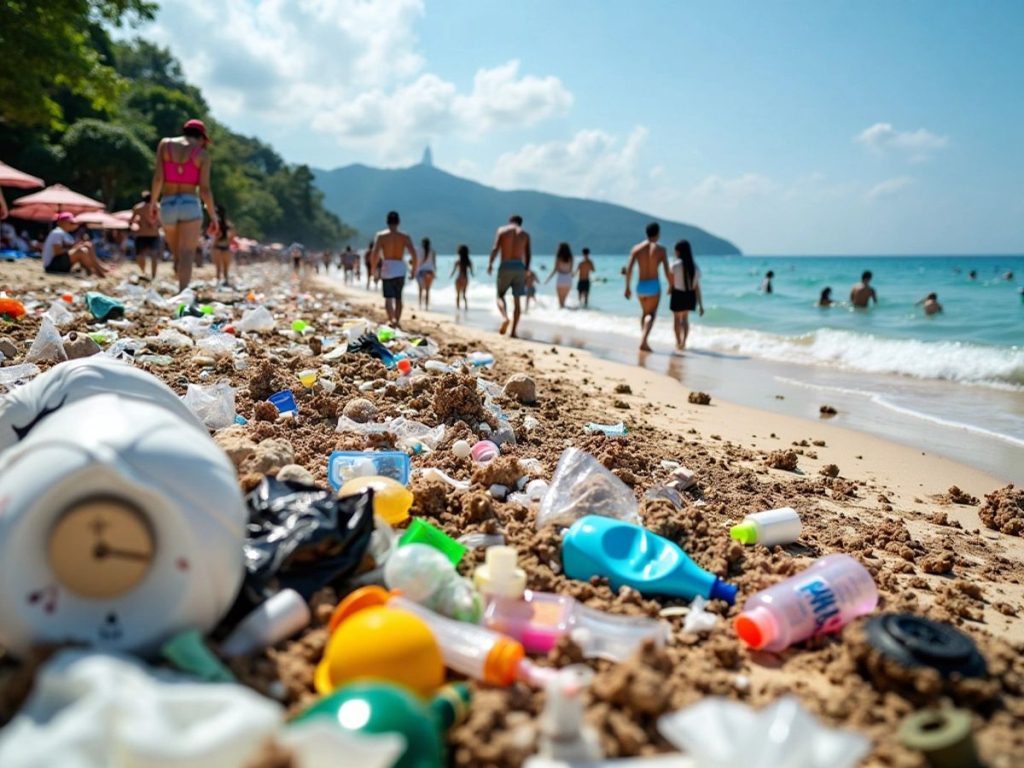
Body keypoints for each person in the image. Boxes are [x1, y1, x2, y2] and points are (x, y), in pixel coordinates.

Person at [147, 118, 217, 291]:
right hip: (190, 204)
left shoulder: (165, 144)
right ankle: (183, 292)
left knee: (176, 251)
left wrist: (152, 204)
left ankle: (177, 264)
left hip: (168, 204)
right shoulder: (202, 155)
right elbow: (205, 190)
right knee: (187, 253)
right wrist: (213, 216)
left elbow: (158, 178)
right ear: (201, 137)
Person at [624, 222, 671, 352]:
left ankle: (643, 339)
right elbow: (667, 271)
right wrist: (671, 285)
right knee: (651, 314)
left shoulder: (636, 249)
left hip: (640, 286)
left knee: (644, 313)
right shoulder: (661, 250)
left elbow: (629, 269)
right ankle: (644, 340)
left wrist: (627, 287)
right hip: (654, 285)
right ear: (658, 234)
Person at [371, 210, 417, 327]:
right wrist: (414, 270)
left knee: (388, 298)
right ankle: (396, 319)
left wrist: (373, 270)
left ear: (387, 222)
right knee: (398, 297)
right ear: (398, 222)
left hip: (387, 267)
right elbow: (414, 255)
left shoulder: (381, 236)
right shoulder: (404, 236)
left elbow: (375, 254)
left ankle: (392, 319)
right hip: (400, 268)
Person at [487, 214, 531, 337]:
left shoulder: (502, 230)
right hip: (519, 267)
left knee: (500, 296)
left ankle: (505, 318)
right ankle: (513, 332)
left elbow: (495, 248)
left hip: (505, 265)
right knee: (517, 301)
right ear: (520, 223)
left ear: (510, 221)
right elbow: (528, 254)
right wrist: (526, 270)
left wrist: (490, 264)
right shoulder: (525, 235)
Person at [41, 212, 108, 276]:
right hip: (52, 265)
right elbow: (57, 251)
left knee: (86, 246)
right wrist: (76, 247)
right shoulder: (57, 233)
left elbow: (68, 248)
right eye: (71, 223)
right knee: (81, 251)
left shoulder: (64, 234)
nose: (74, 225)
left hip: (57, 263)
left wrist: (77, 246)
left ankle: (98, 269)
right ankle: (98, 270)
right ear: (62, 223)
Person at [668, 239, 703, 352]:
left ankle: (678, 342)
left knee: (677, 320)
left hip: (677, 293)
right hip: (690, 295)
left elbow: (671, 282)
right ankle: (684, 342)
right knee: (685, 319)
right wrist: (700, 304)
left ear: (678, 251)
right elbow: (697, 286)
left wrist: (669, 289)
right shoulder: (695, 267)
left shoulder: (674, 265)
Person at [129, 190, 162, 280]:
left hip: (141, 234)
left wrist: (138, 223)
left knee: (140, 255)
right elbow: (160, 222)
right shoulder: (157, 207)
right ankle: (153, 276)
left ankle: (143, 272)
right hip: (154, 234)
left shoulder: (138, 208)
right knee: (154, 255)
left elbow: (131, 222)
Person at [546, 242, 574, 308]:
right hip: (568, 278)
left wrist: (548, 279)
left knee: (560, 301)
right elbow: (570, 269)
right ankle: (565, 314)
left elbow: (556, 269)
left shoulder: (558, 257)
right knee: (564, 300)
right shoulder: (571, 258)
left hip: (561, 278)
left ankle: (561, 314)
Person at [212, 204, 234, 286]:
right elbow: (232, 237)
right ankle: (226, 281)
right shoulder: (229, 224)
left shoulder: (215, 224)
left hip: (217, 247)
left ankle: (218, 283)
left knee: (218, 268)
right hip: (226, 248)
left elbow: (214, 237)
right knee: (226, 269)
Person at [450, 243, 473, 311]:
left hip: (458, 278)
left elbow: (453, 271)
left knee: (457, 295)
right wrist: (473, 274)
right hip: (465, 279)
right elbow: (471, 272)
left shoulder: (458, 261)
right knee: (464, 295)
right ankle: (466, 308)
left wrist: (450, 276)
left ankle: (458, 308)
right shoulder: (468, 261)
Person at [417, 237, 437, 310]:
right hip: (430, 272)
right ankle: (426, 306)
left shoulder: (419, 250)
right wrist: (435, 273)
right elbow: (434, 264)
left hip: (421, 272)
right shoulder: (433, 251)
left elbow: (416, 261)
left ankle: (420, 305)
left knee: (420, 290)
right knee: (428, 290)